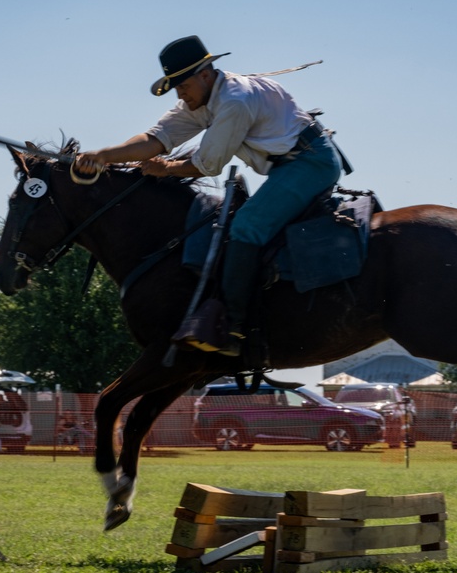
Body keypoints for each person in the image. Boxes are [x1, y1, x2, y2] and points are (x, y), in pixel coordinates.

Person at [76, 35, 344, 355]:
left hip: (309, 163)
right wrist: (103, 155)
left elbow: (207, 164)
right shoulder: (203, 97)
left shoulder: (234, 101)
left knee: (246, 226)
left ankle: (233, 328)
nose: (180, 93)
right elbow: (155, 139)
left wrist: (167, 169)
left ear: (204, 74)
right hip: (291, 164)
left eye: (182, 85)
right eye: (175, 87)